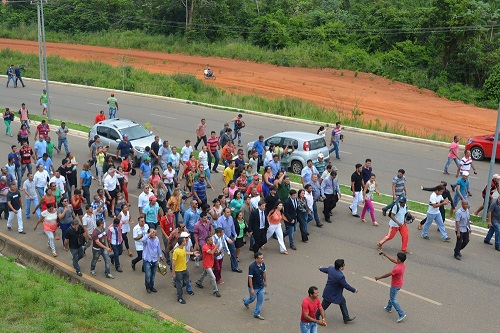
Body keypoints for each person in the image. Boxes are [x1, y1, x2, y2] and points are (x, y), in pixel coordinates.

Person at [318, 259, 357, 324]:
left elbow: (326, 270)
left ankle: (346, 317)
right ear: (341, 267)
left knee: (342, 301)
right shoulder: (340, 276)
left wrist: (320, 268)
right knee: (323, 307)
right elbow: (346, 285)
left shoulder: (331, 268)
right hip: (332, 294)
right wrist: (354, 290)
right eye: (343, 265)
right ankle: (315, 317)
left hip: (331, 292)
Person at [375, 252, 407, 323]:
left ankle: (401, 314)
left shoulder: (397, 268)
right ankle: (389, 307)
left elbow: (387, 274)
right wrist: (386, 255)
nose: (396, 259)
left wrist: (379, 277)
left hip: (395, 285)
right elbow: (393, 260)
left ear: (399, 260)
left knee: (393, 299)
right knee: (392, 296)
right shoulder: (402, 264)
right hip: (399, 283)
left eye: (397, 258)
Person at [172, 235, 198, 303]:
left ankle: (178, 284)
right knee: (179, 284)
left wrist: (193, 253)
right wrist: (173, 272)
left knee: (186, 281)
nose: (186, 241)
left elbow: (185, 253)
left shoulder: (183, 248)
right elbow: (173, 262)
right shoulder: (176, 251)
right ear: (181, 242)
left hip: (184, 269)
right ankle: (179, 297)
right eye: (184, 241)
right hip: (178, 270)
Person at [217, 207, 242, 272]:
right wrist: (227, 238)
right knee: (218, 252)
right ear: (224, 213)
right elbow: (220, 231)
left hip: (229, 236)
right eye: (227, 212)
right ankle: (215, 266)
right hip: (222, 238)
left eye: (229, 212)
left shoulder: (230, 218)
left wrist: (235, 235)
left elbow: (232, 227)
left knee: (233, 251)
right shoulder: (220, 220)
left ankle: (235, 267)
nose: (229, 213)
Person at [243, 251, 267, 320]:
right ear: (256, 259)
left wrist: (265, 281)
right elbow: (250, 278)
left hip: (261, 286)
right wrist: (252, 289)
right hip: (254, 287)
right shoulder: (252, 267)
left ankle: (256, 313)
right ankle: (246, 301)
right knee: (252, 299)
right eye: (261, 258)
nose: (262, 259)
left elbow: (264, 273)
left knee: (260, 300)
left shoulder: (263, 265)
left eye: (263, 258)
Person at [142, 228, 163, 293]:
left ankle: (151, 286)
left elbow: (158, 248)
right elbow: (143, 240)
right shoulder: (147, 240)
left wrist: (160, 256)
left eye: (154, 232)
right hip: (147, 260)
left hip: (154, 260)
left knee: (153, 274)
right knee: (148, 274)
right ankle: (147, 286)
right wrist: (149, 234)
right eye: (151, 232)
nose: (153, 234)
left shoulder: (157, 239)